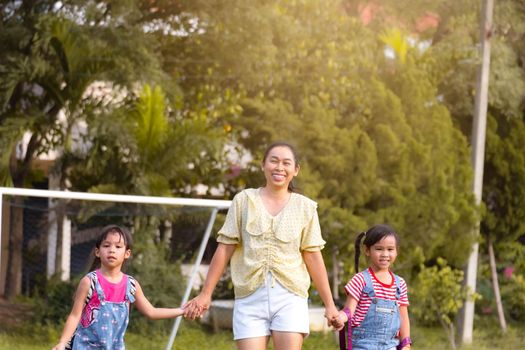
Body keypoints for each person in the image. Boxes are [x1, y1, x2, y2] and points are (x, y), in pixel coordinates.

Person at [184, 141, 339, 350]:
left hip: (290, 298)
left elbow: (313, 257)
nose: (279, 167)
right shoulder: (243, 201)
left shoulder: (305, 207)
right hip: (249, 298)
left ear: (296, 170)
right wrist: (206, 293)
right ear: (263, 164)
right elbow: (224, 249)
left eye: (286, 163)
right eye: (273, 161)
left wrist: (330, 305)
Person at [52, 225, 184, 350]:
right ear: (98, 252)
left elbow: (151, 312)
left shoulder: (131, 285)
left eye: (118, 246)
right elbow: (75, 316)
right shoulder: (89, 282)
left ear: (127, 253)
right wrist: (63, 342)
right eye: (106, 245)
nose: (112, 250)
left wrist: (182, 310)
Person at [332, 224, 412, 350]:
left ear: (396, 251)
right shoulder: (361, 280)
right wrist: (340, 318)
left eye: (390, 249)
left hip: (391, 345)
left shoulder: (399, 284)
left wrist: (406, 343)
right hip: (363, 345)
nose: (385, 254)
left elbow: (403, 317)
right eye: (379, 249)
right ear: (367, 250)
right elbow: (349, 310)